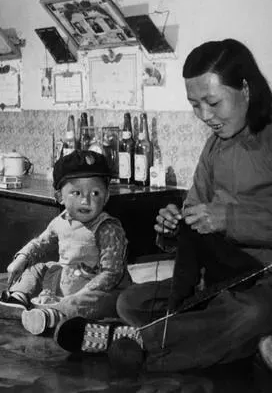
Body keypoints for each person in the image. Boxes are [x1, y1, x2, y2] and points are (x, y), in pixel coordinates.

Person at [112, 39, 272, 373]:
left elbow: (221, 219)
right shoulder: (214, 147)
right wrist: (174, 227)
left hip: (263, 280)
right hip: (219, 276)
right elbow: (194, 213)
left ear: (245, 88)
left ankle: (139, 343)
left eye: (212, 102)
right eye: (195, 105)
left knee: (251, 312)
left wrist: (229, 219)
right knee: (131, 302)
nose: (205, 116)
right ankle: (240, 342)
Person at [0, 150, 130, 336]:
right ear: (60, 197)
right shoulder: (60, 221)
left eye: (95, 193)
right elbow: (40, 243)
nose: (86, 200)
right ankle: (18, 300)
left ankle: (52, 316)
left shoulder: (108, 228)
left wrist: (82, 293)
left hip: (97, 288)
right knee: (38, 268)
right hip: (66, 281)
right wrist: (22, 258)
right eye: (76, 193)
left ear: (106, 197)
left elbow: (111, 273)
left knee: (98, 302)